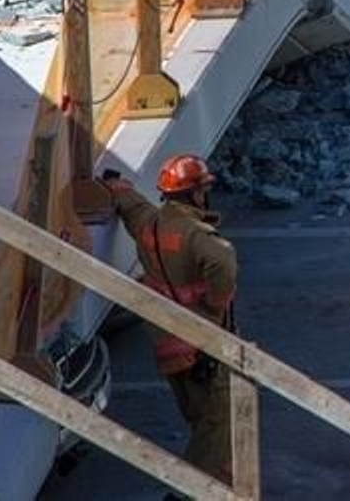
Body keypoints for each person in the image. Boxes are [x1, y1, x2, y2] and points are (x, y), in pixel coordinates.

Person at [104, 155, 237, 485]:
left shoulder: (150, 224)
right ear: (195, 194)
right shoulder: (201, 238)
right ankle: (193, 489)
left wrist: (113, 184)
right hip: (202, 343)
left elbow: (130, 204)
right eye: (203, 189)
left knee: (199, 417)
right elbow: (224, 267)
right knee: (219, 422)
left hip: (167, 344)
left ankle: (218, 483)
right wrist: (214, 308)